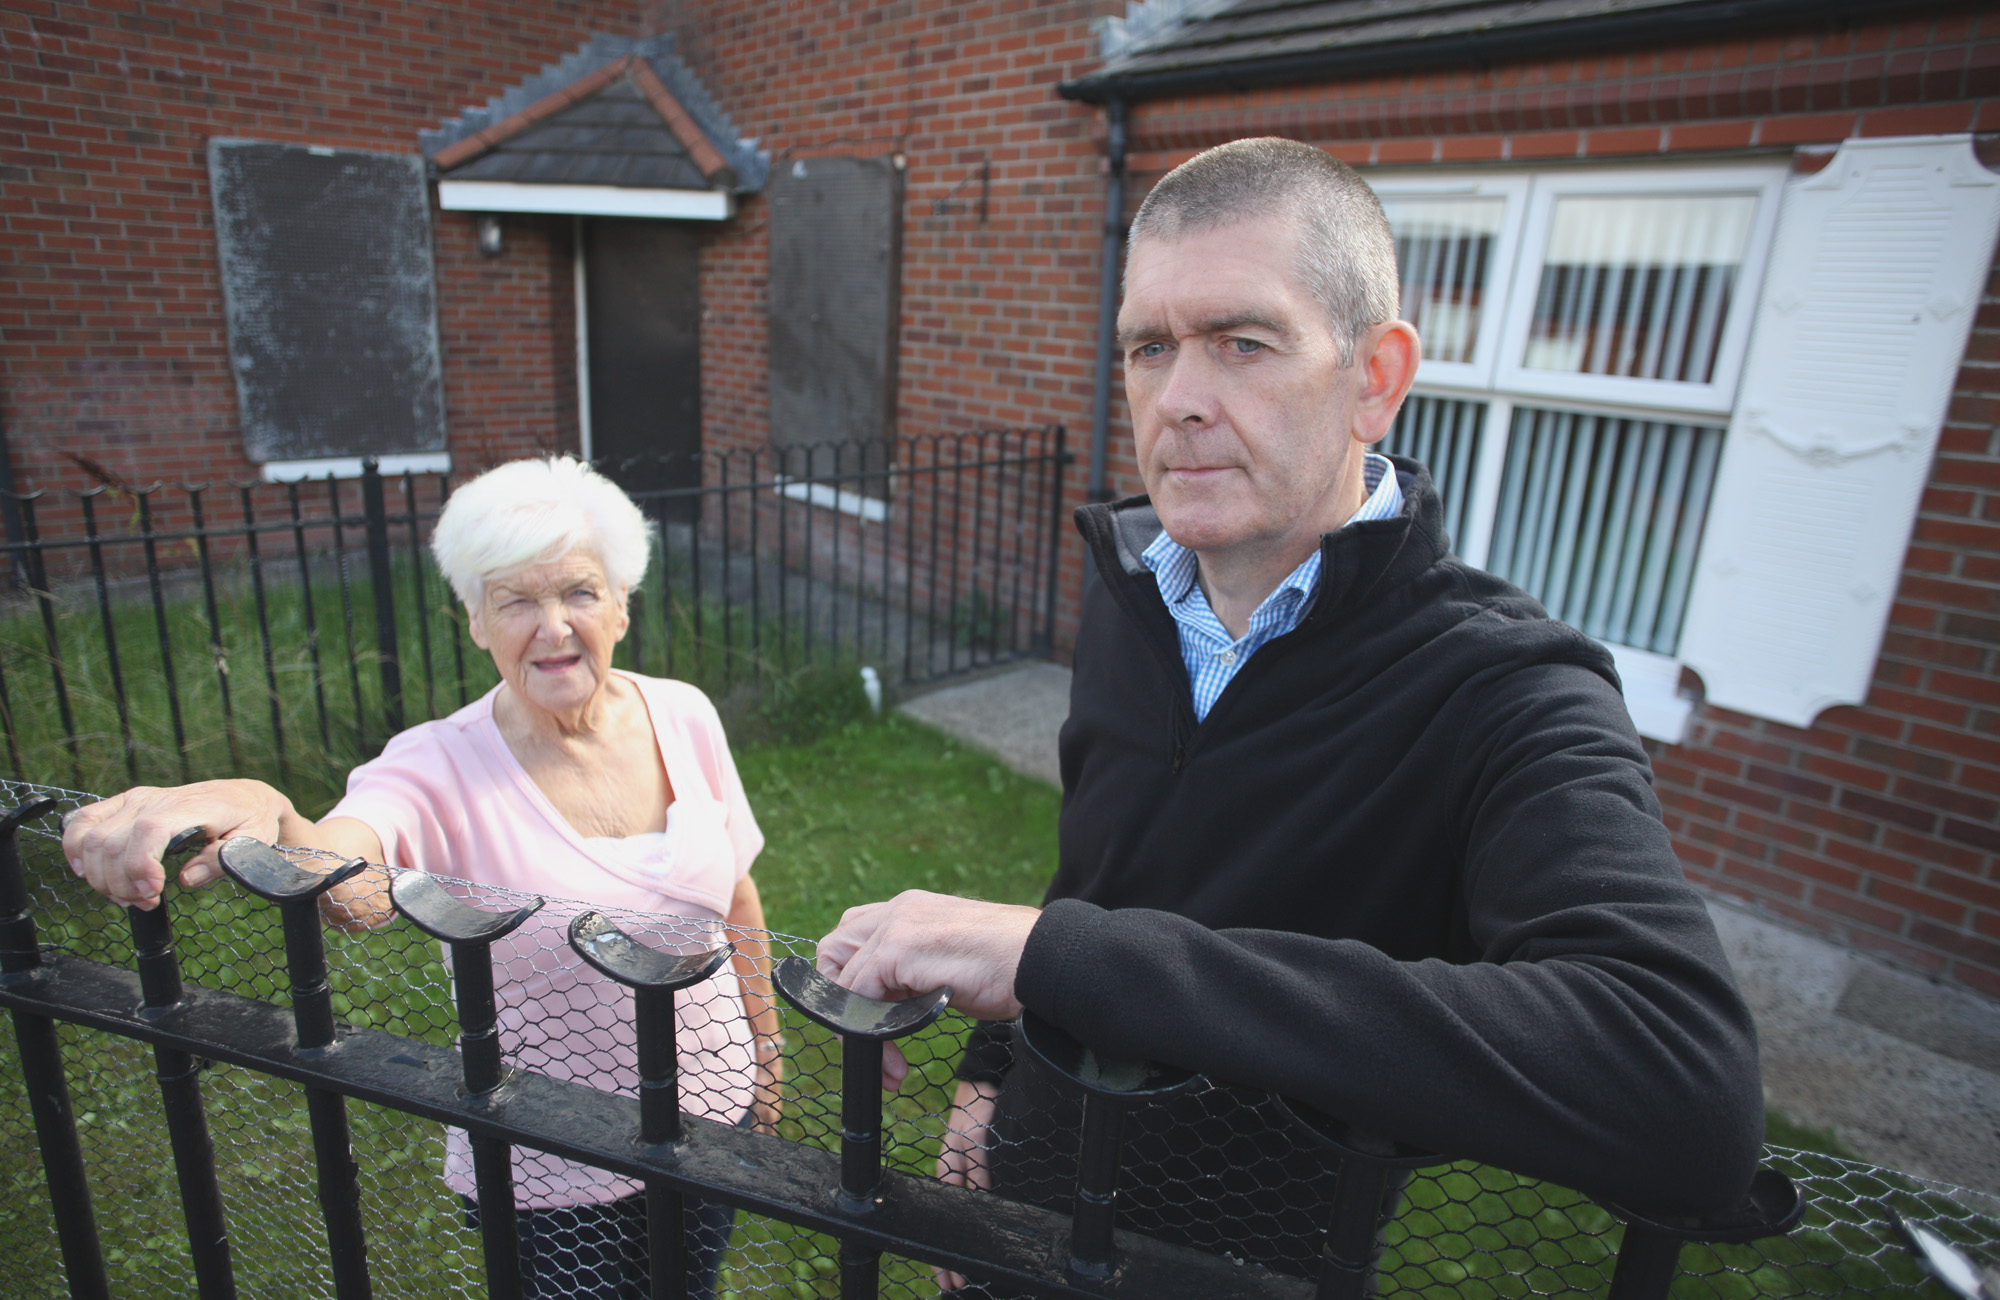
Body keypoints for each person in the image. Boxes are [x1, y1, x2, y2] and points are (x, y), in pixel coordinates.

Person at [817, 138, 1764, 1287]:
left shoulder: (1505, 689)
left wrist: (1055, 955)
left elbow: (1680, 1085)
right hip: (1031, 1207)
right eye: (1148, 348)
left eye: (1242, 343)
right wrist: (988, 1079)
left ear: (1374, 375)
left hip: (1237, 1267)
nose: (1177, 402)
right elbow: (1100, 874)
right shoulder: (1133, 589)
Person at [63, 456, 779, 1300]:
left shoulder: (685, 713)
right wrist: (271, 808)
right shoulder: (435, 766)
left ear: (622, 601)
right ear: (475, 622)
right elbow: (351, 885)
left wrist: (765, 1057)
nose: (552, 627)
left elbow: (735, 895)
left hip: (708, 1114)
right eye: (515, 600)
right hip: (553, 1165)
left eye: (579, 592)